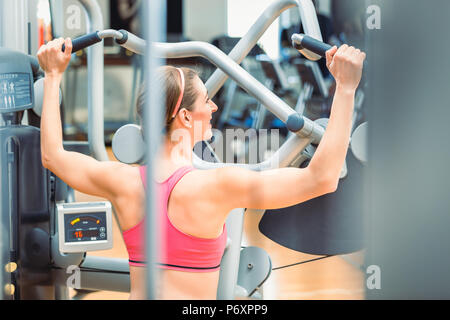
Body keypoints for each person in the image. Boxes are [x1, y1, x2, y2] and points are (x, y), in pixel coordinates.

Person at [37, 37, 365, 299]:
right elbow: (321, 178)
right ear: (184, 117)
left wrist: (53, 76)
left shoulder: (122, 180)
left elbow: (53, 156)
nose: (214, 106)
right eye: (206, 100)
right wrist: (346, 88)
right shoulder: (217, 185)